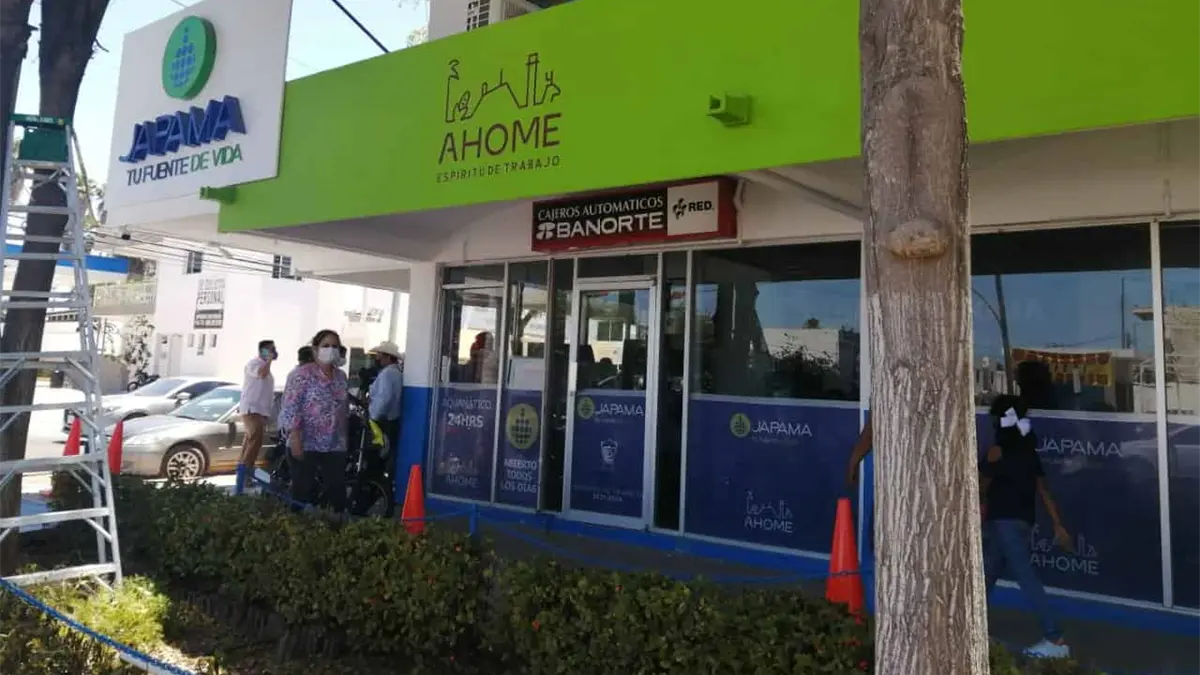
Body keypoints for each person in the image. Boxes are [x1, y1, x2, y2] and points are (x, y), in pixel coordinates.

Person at [979, 394, 1072, 659]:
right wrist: (1057, 524)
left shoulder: (997, 452)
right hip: (1022, 523)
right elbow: (1044, 491)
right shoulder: (1029, 454)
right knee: (985, 577)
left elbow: (981, 485)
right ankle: (969, 625)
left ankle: (1055, 638)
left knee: (1026, 578)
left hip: (1002, 521)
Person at [279, 330, 350, 512]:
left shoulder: (341, 377)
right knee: (302, 491)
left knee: (336, 494)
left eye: (335, 346)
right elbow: (290, 406)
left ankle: (333, 526)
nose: (330, 349)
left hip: (334, 444)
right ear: (315, 349)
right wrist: (295, 437)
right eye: (326, 345)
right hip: (306, 442)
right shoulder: (302, 374)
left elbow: (343, 408)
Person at [238, 339, 277, 483]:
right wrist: (269, 360)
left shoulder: (265, 366)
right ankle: (245, 474)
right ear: (263, 351)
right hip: (251, 409)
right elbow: (261, 374)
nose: (274, 352)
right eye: (271, 349)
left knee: (250, 442)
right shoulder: (254, 363)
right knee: (254, 441)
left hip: (259, 411)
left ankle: (242, 472)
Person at [366, 341, 404, 463]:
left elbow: (384, 398)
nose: (377, 358)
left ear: (388, 357)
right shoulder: (397, 372)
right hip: (392, 420)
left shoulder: (387, 373)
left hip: (383, 421)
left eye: (380, 355)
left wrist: (373, 416)